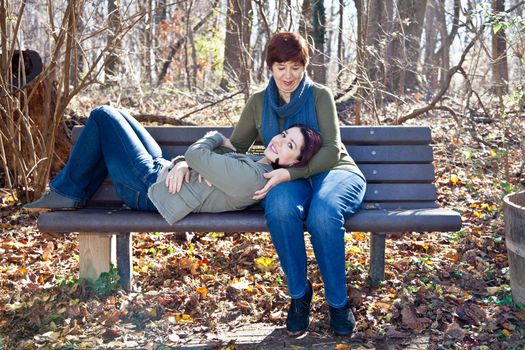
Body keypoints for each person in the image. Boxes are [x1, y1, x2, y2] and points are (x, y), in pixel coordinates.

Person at [229, 32, 366, 336]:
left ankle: (338, 304)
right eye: (280, 67)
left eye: (295, 67)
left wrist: (288, 174)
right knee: (278, 207)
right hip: (290, 177)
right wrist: (189, 161)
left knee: (323, 213)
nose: (288, 75)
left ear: (305, 66)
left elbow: (331, 149)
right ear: (270, 67)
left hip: (334, 171)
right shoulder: (258, 103)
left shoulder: (319, 96)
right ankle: (299, 296)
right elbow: (235, 147)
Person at [24, 105, 321, 225]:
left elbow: (198, 154)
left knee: (103, 115)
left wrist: (215, 137)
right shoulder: (256, 162)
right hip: (161, 170)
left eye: (290, 146)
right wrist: (182, 163)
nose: (280, 142)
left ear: (294, 163)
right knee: (119, 113)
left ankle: (68, 191)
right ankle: (75, 192)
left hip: (147, 189)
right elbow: (193, 161)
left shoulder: (253, 178)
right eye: (284, 135)